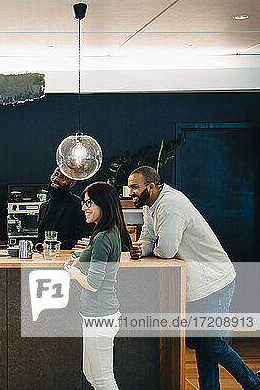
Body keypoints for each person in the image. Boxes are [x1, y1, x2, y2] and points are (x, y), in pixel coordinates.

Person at [127, 166, 260, 390]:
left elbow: (167, 250)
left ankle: (254, 384)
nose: (130, 192)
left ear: (150, 187)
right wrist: (143, 248)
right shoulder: (150, 204)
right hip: (196, 284)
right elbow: (148, 237)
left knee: (213, 345)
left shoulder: (170, 205)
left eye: (134, 187)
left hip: (214, 281)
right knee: (201, 343)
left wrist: (150, 247)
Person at [65, 181, 131, 390]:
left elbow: (93, 283)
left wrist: (75, 274)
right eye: (84, 203)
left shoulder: (103, 237)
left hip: (100, 315)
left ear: (103, 204)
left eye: (89, 203)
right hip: (96, 314)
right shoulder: (106, 232)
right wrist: (78, 260)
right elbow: (94, 258)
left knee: (103, 379)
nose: (84, 208)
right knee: (91, 374)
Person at [37, 166, 92, 249]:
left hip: (69, 257)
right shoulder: (43, 207)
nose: (56, 179)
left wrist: (54, 246)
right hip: (45, 258)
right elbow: (40, 238)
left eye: (62, 178)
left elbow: (83, 239)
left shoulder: (79, 206)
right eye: (55, 174)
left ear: (72, 184)